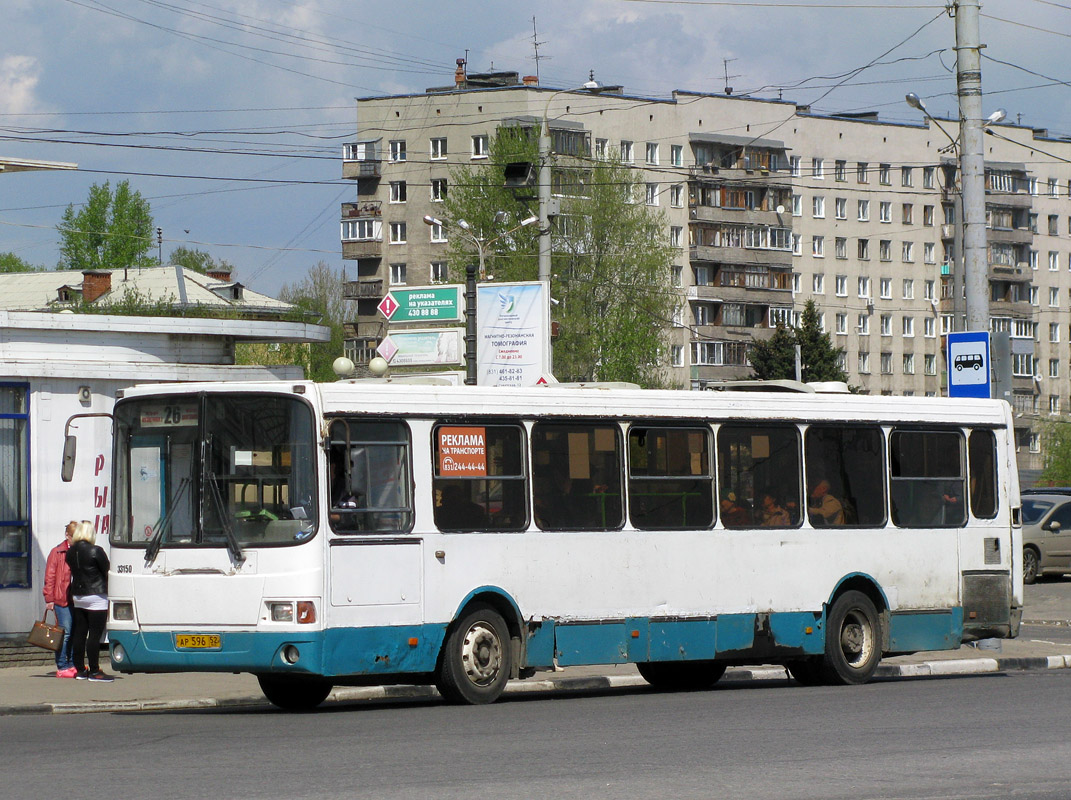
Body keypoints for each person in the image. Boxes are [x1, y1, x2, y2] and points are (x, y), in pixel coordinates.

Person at [66, 520, 113, 682]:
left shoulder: (70, 552)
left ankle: (80, 670)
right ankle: (95, 671)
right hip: (96, 595)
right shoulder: (96, 551)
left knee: (80, 632)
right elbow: (107, 570)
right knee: (94, 634)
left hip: (78, 596)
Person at [43, 521, 78, 678]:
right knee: (65, 632)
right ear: (67, 535)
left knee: (73, 632)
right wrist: (49, 598)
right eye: (73, 538)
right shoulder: (57, 552)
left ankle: (70, 663)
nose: (75, 541)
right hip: (60, 598)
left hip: (74, 599)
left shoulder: (77, 551)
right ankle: (62, 666)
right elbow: (50, 577)